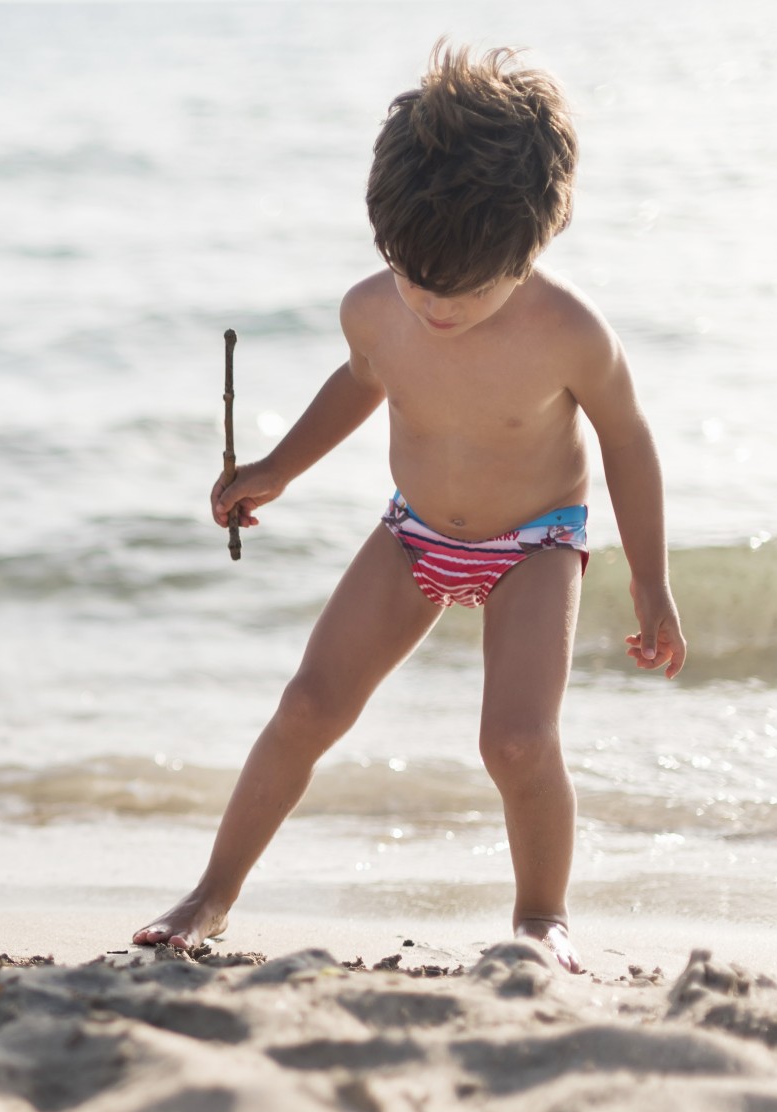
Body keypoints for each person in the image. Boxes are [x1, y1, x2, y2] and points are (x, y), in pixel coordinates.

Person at [134, 45, 686, 972]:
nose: (430, 303)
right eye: (410, 274)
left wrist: (651, 580)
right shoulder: (376, 309)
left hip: (535, 544)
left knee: (517, 742)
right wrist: (275, 469)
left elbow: (627, 440)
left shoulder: (571, 333)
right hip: (414, 531)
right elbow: (361, 382)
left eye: (460, 290)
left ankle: (542, 917)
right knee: (308, 705)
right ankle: (211, 893)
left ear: (532, 245)